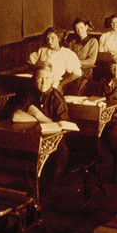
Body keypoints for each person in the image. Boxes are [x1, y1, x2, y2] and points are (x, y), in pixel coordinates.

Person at [12, 61, 69, 195]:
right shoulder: (30, 94)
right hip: (31, 139)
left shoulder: (57, 99)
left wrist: (37, 113)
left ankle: (43, 198)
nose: (43, 82)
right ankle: (30, 197)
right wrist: (38, 117)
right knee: (21, 160)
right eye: (40, 78)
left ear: (52, 79)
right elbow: (16, 116)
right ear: (34, 79)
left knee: (57, 163)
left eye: (47, 78)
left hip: (56, 143)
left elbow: (62, 128)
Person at [28, 27, 82, 92]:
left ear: (59, 38)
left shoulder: (67, 53)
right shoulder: (42, 51)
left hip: (54, 85)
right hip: (39, 83)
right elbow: (29, 60)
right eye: (48, 39)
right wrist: (36, 72)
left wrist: (61, 84)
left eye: (52, 38)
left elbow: (77, 73)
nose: (49, 41)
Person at [66, 18, 99, 95]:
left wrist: (76, 62)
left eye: (81, 28)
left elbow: (91, 61)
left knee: (78, 88)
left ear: (86, 27)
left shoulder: (93, 41)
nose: (79, 31)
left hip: (86, 72)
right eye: (77, 28)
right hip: (72, 70)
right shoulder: (73, 42)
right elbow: (67, 56)